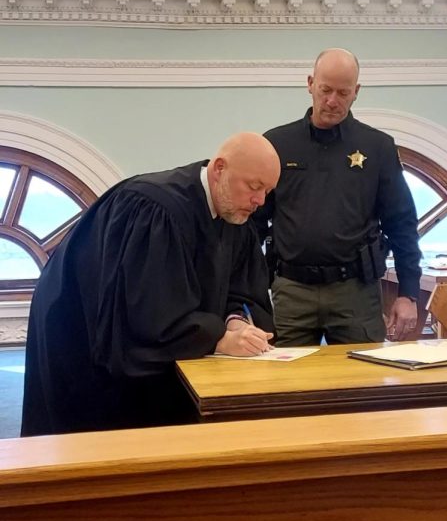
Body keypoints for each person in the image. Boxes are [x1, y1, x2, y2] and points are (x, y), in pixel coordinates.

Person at [21, 132, 281, 436]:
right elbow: (149, 316)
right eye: (254, 186)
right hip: (79, 333)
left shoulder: (233, 214)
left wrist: (236, 321)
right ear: (219, 168)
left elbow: (241, 288)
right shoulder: (155, 208)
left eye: (267, 191)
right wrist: (219, 337)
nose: (260, 201)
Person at [253, 48, 422, 346]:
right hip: (292, 291)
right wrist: (245, 293)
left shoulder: (378, 147)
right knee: (284, 386)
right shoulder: (276, 144)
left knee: (361, 385)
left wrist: (408, 293)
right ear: (310, 84)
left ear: (356, 91)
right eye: (325, 90)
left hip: (355, 293)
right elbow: (252, 222)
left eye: (343, 93)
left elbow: (402, 223)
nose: (332, 101)